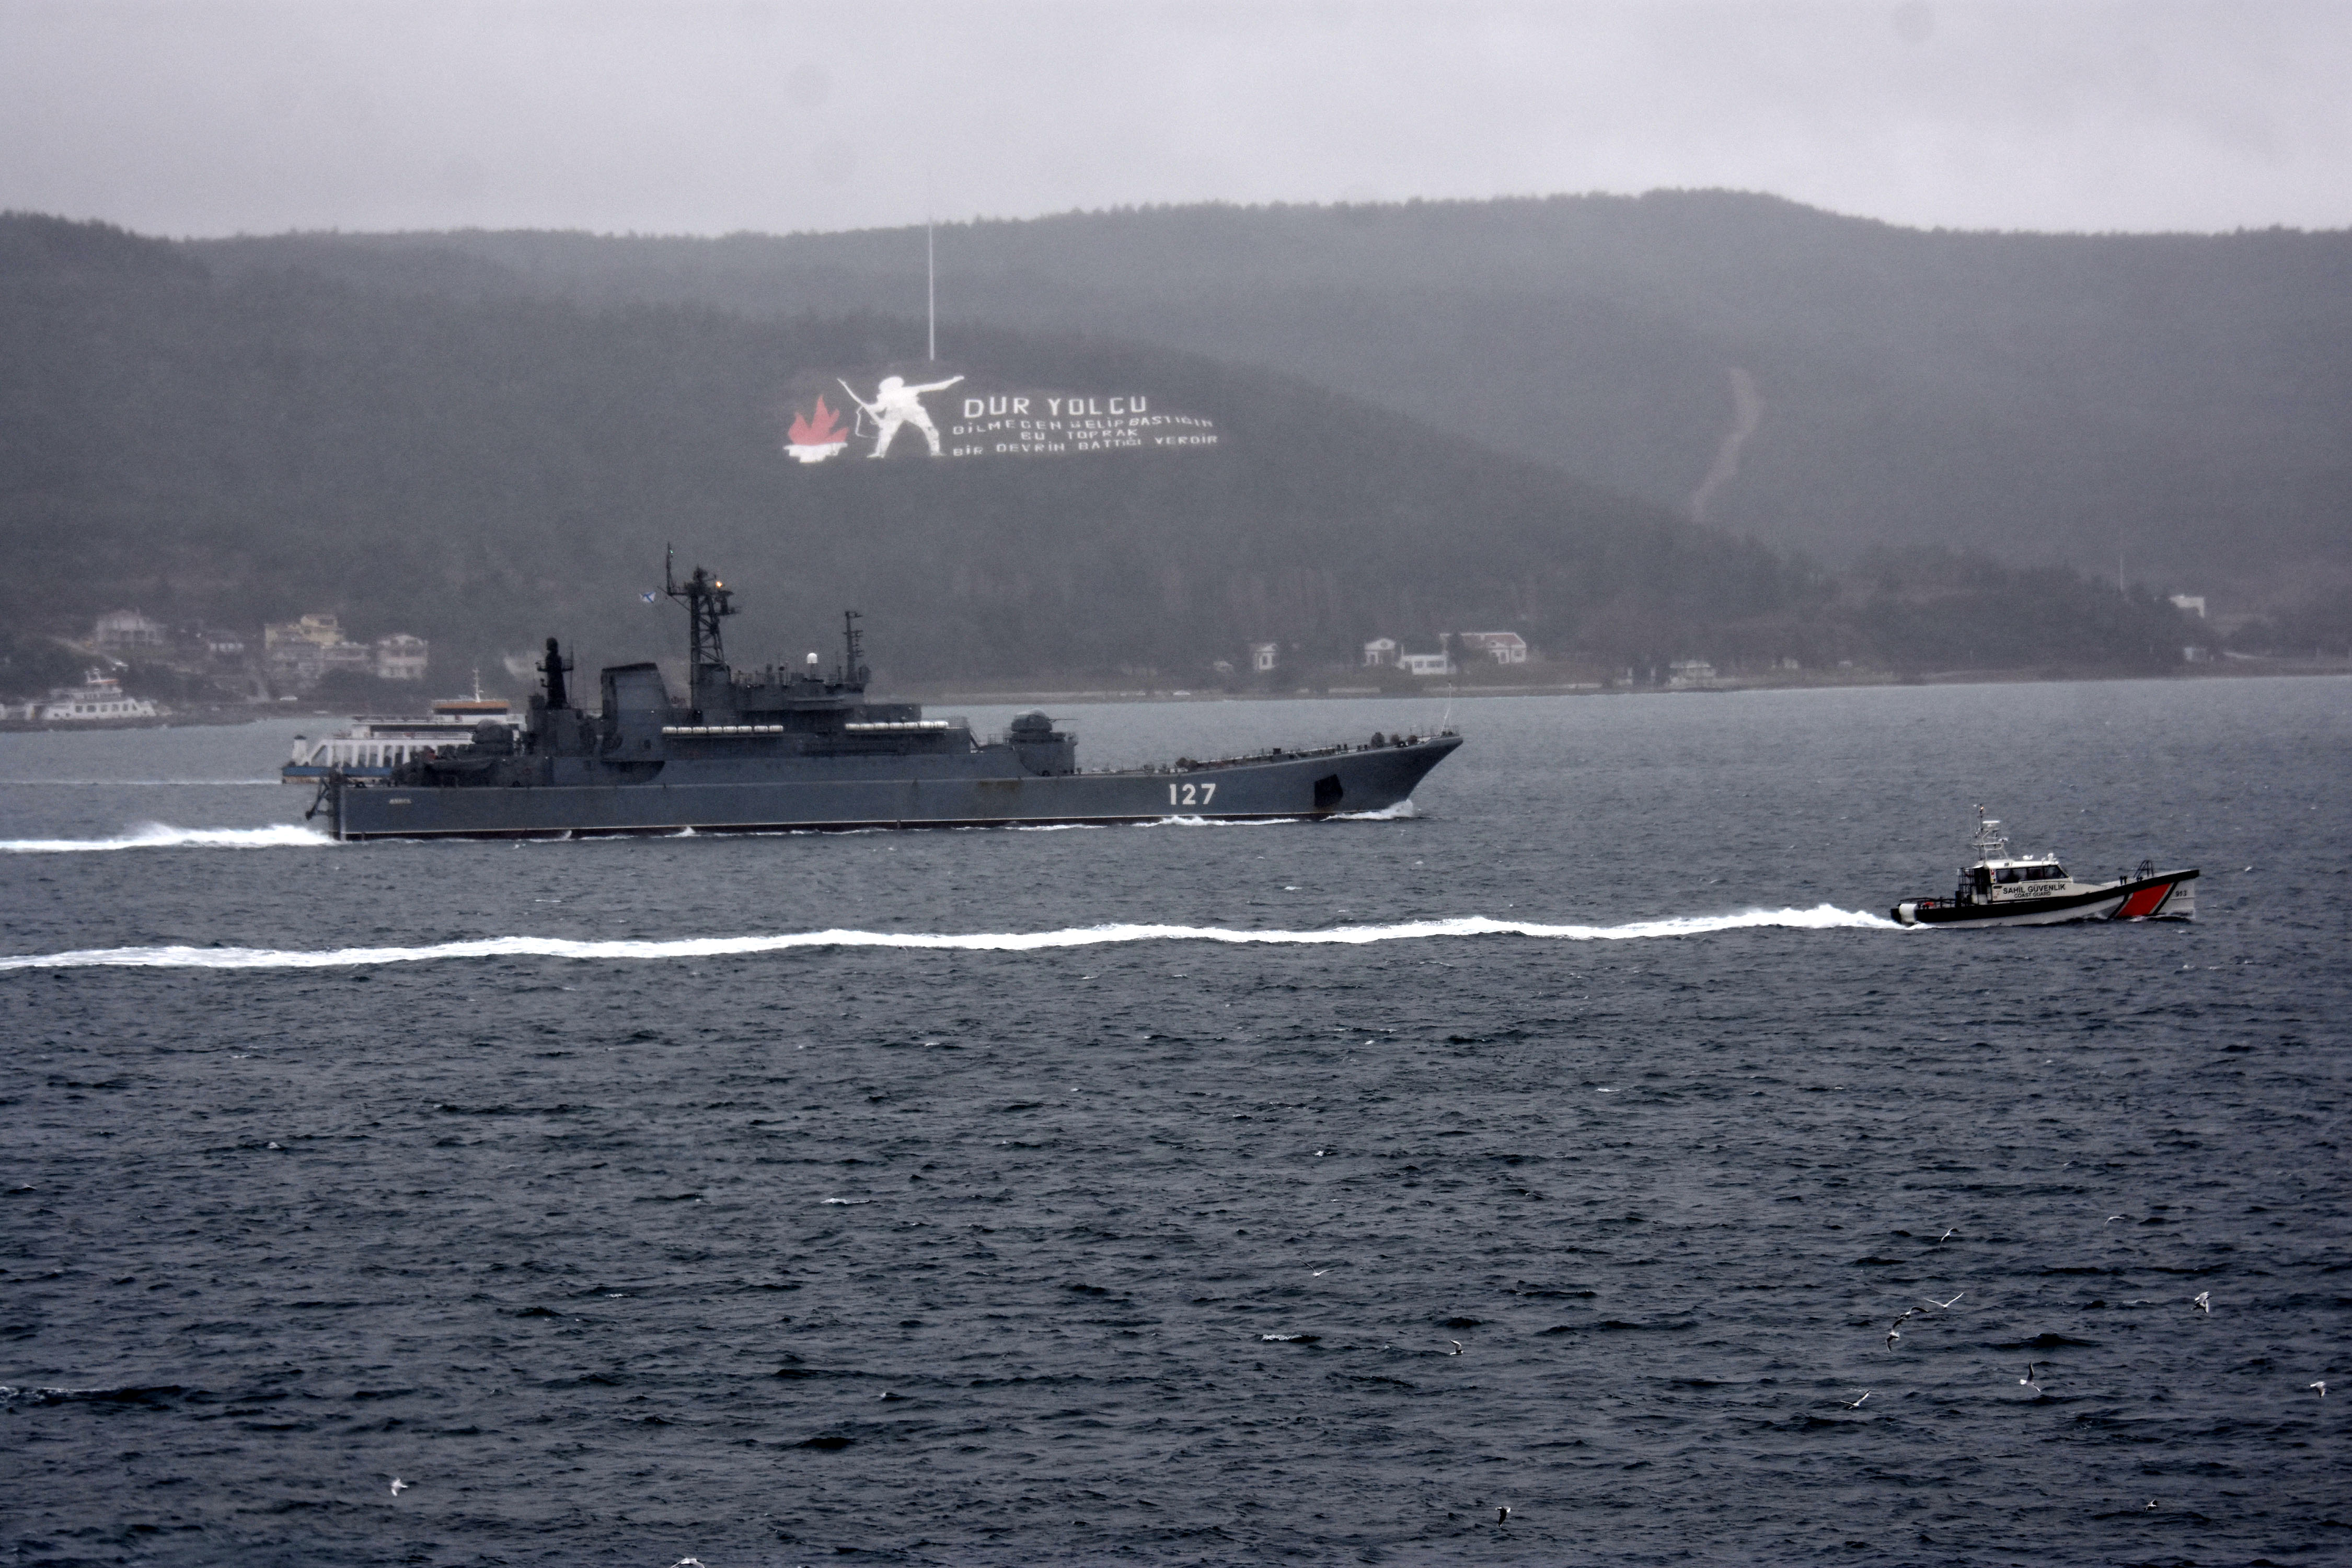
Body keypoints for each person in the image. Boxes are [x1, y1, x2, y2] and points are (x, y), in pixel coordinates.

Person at [842, 373, 964, 458]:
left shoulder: (910, 390)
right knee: (886, 434)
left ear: (898, 384)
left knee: (931, 430)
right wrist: (870, 407)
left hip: (914, 411)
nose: (892, 387)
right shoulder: (884, 396)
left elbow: (936, 386)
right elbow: (880, 408)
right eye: (889, 386)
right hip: (894, 414)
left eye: (893, 385)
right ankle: (880, 453)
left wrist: (953, 380)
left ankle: (935, 452)